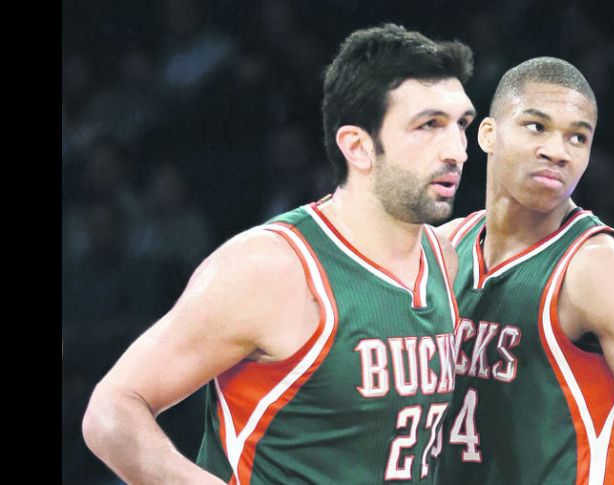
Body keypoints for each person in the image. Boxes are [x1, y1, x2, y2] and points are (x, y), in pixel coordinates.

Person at [82, 23, 477, 484]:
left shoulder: (445, 262)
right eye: (429, 125)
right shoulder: (272, 268)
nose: (457, 151)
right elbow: (111, 412)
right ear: (358, 146)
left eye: (461, 125)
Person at [435, 57, 614, 484]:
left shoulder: (601, 271)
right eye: (536, 127)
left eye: (577, 137)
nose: (557, 152)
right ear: (487, 134)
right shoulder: (443, 250)